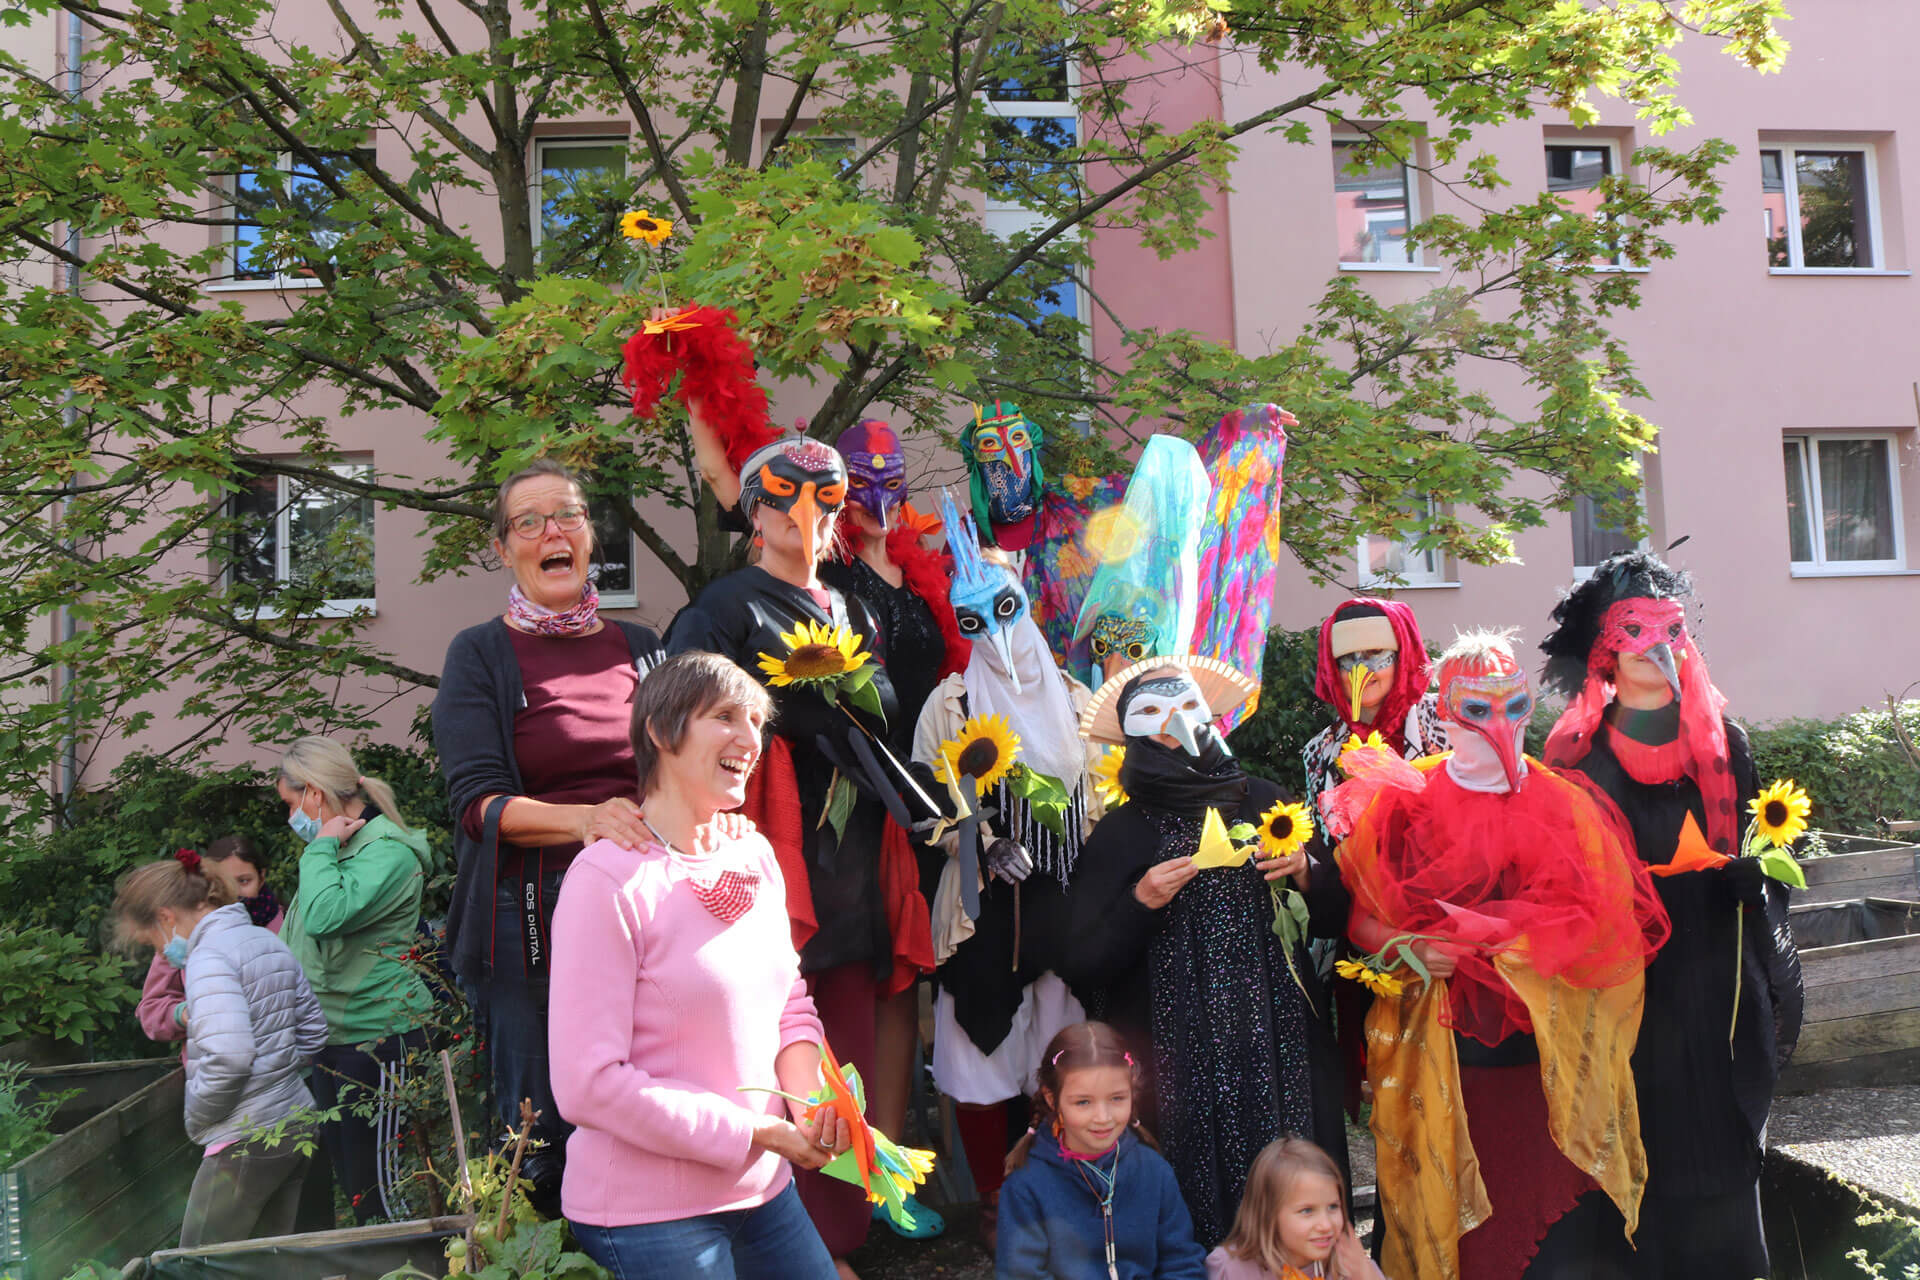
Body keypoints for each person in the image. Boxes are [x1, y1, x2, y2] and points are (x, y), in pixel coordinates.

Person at [1325, 631, 1669, 1280]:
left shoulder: (1564, 805)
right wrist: (1418, 946)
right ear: (1447, 710)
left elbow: (1608, 935)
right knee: (1464, 1240)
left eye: (1516, 706)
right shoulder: (1406, 799)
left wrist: (1519, 941)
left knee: (1547, 1245)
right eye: (1478, 709)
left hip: (1544, 1065)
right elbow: (1362, 920)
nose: (1501, 725)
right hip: (1447, 1063)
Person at [666, 433, 924, 1272]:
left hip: (849, 860)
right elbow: (675, 726)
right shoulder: (722, 607)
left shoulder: (847, 606)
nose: (812, 513)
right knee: (754, 1048)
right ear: (755, 508)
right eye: (791, 495)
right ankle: (761, 1241)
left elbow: (883, 708)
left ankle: (834, 1242)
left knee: (839, 1043)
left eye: (828, 496)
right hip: (760, 855)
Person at [1539, 552, 1803, 1280]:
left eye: (1671, 628)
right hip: (1626, 997)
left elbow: (1765, 856)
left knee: (1719, 1154)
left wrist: (1756, 882)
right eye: (1635, 628)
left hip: (1716, 992)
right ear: (1604, 650)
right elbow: (1554, 880)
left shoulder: (1727, 746)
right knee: (1636, 1159)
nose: (1658, 646)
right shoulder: (1574, 758)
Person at [548, 651, 847, 1280]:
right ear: (661, 732)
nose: (750, 739)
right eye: (725, 717)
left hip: (763, 1190)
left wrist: (814, 1104)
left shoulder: (753, 855)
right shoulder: (606, 879)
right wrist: (756, 1133)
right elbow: (588, 1084)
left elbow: (788, 1005)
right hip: (645, 1213)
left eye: (758, 721)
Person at [433, 457, 665, 1212]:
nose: (551, 532)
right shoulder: (479, 654)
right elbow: (478, 806)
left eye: (566, 514)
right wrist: (589, 821)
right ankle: (543, 1250)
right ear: (504, 549)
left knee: (647, 1094)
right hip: (527, 921)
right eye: (528, 522)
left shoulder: (643, 645)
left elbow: (683, 767)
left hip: (644, 906)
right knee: (541, 1127)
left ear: (591, 535)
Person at [1059, 657, 1347, 1248]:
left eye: (1187, 712)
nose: (1177, 732)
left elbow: (1336, 916)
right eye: (1156, 722)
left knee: (1296, 1191)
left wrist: (1307, 871)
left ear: (1211, 717)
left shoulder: (1267, 802)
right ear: (1135, 738)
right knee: (1193, 1210)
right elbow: (1081, 962)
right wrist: (1140, 901)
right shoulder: (1121, 832)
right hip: (1176, 1063)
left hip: (1279, 1045)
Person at [911, 492, 1098, 1249]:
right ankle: (997, 1199)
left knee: (1062, 1048)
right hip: (984, 916)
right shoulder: (948, 706)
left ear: (1025, 599)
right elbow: (924, 806)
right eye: (973, 621)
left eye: (1005, 607)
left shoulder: (1081, 700)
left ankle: (1059, 1192)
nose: (995, 631)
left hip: (1065, 912)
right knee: (980, 1048)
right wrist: (980, 843)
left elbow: (1109, 798)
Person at [822, 418, 966, 1238]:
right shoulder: (829, 569)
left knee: (929, 979)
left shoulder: (920, 572)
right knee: (879, 979)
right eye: (861, 477)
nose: (880, 491)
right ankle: (869, 1173)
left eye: (893, 473)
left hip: (936, 788)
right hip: (867, 791)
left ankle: (922, 1164)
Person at [110, 856, 328, 1247]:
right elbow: (313, 1033)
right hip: (295, 1119)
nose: (161, 952)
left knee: (198, 1262)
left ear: (166, 917)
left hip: (245, 1136)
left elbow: (229, 1056)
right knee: (269, 1262)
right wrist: (275, 1074)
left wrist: (200, 1116)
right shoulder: (265, 939)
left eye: (154, 942)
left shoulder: (207, 959)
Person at [276, 735, 433, 1225]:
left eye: (292, 804)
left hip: (379, 1039)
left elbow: (324, 916)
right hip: (335, 1039)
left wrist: (320, 848)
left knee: (385, 1192)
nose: (291, 818)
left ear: (315, 795)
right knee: (357, 1189)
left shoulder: (386, 852)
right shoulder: (342, 848)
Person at [996, 1021, 1207, 1280]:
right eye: (1083, 1102)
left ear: (1132, 1092)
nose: (1103, 1117)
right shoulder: (1025, 1185)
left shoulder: (1155, 1171)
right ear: (1052, 1099)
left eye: (1117, 1098)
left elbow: (1182, 1261)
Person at [1300, 599, 1446, 817]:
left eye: (1375, 653)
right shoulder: (1321, 751)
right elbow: (1319, 845)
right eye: (1347, 658)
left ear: (1401, 658)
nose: (1361, 670)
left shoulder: (1447, 718)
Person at [138, 839, 284, 1051]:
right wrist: (185, 1013)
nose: (235, 893)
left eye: (244, 881)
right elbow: (151, 1011)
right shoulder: (176, 940)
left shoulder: (287, 926)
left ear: (261, 877)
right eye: (224, 883)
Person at [1208, 1138, 1387, 1280]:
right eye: (1307, 1211)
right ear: (1267, 1215)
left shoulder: (1352, 1270)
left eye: (1333, 1206)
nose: (1325, 1225)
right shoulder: (1229, 1269)